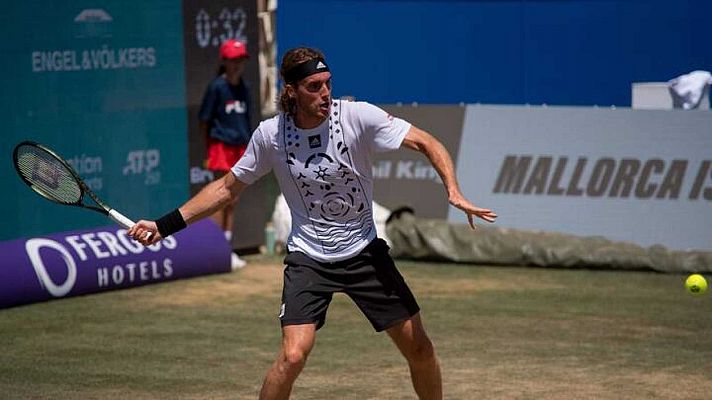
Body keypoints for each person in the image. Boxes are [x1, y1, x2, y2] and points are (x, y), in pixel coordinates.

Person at [128, 47, 497, 400]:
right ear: (291, 91)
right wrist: (164, 226)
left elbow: (426, 141)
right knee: (292, 356)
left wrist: (453, 189)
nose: (325, 94)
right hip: (309, 258)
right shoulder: (270, 135)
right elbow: (226, 189)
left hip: (364, 252)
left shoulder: (357, 117)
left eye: (328, 84)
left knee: (420, 348)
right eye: (314, 87)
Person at [198, 38, 253, 268]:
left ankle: (226, 251)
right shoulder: (217, 87)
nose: (237, 64)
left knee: (233, 199)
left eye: (241, 59)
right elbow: (204, 120)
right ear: (224, 61)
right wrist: (209, 148)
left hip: (241, 148)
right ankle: (215, 252)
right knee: (219, 198)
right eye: (233, 60)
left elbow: (247, 119)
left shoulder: (244, 87)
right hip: (220, 147)